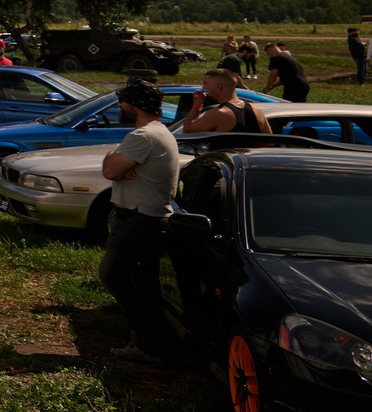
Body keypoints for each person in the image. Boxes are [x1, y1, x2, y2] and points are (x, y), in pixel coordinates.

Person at [98, 78, 182, 363]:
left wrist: (115, 159)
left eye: (123, 102)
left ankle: (146, 343)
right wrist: (120, 164)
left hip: (139, 222)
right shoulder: (157, 132)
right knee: (142, 283)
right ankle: (151, 339)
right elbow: (116, 169)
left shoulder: (143, 137)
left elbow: (109, 170)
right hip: (146, 220)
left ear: (133, 105)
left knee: (115, 276)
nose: (120, 106)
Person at [182, 69, 267, 136]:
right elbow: (268, 142)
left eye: (205, 83)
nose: (203, 87)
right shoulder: (257, 111)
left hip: (225, 158)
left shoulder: (219, 114)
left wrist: (197, 104)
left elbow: (187, 130)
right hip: (249, 157)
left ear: (218, 87)